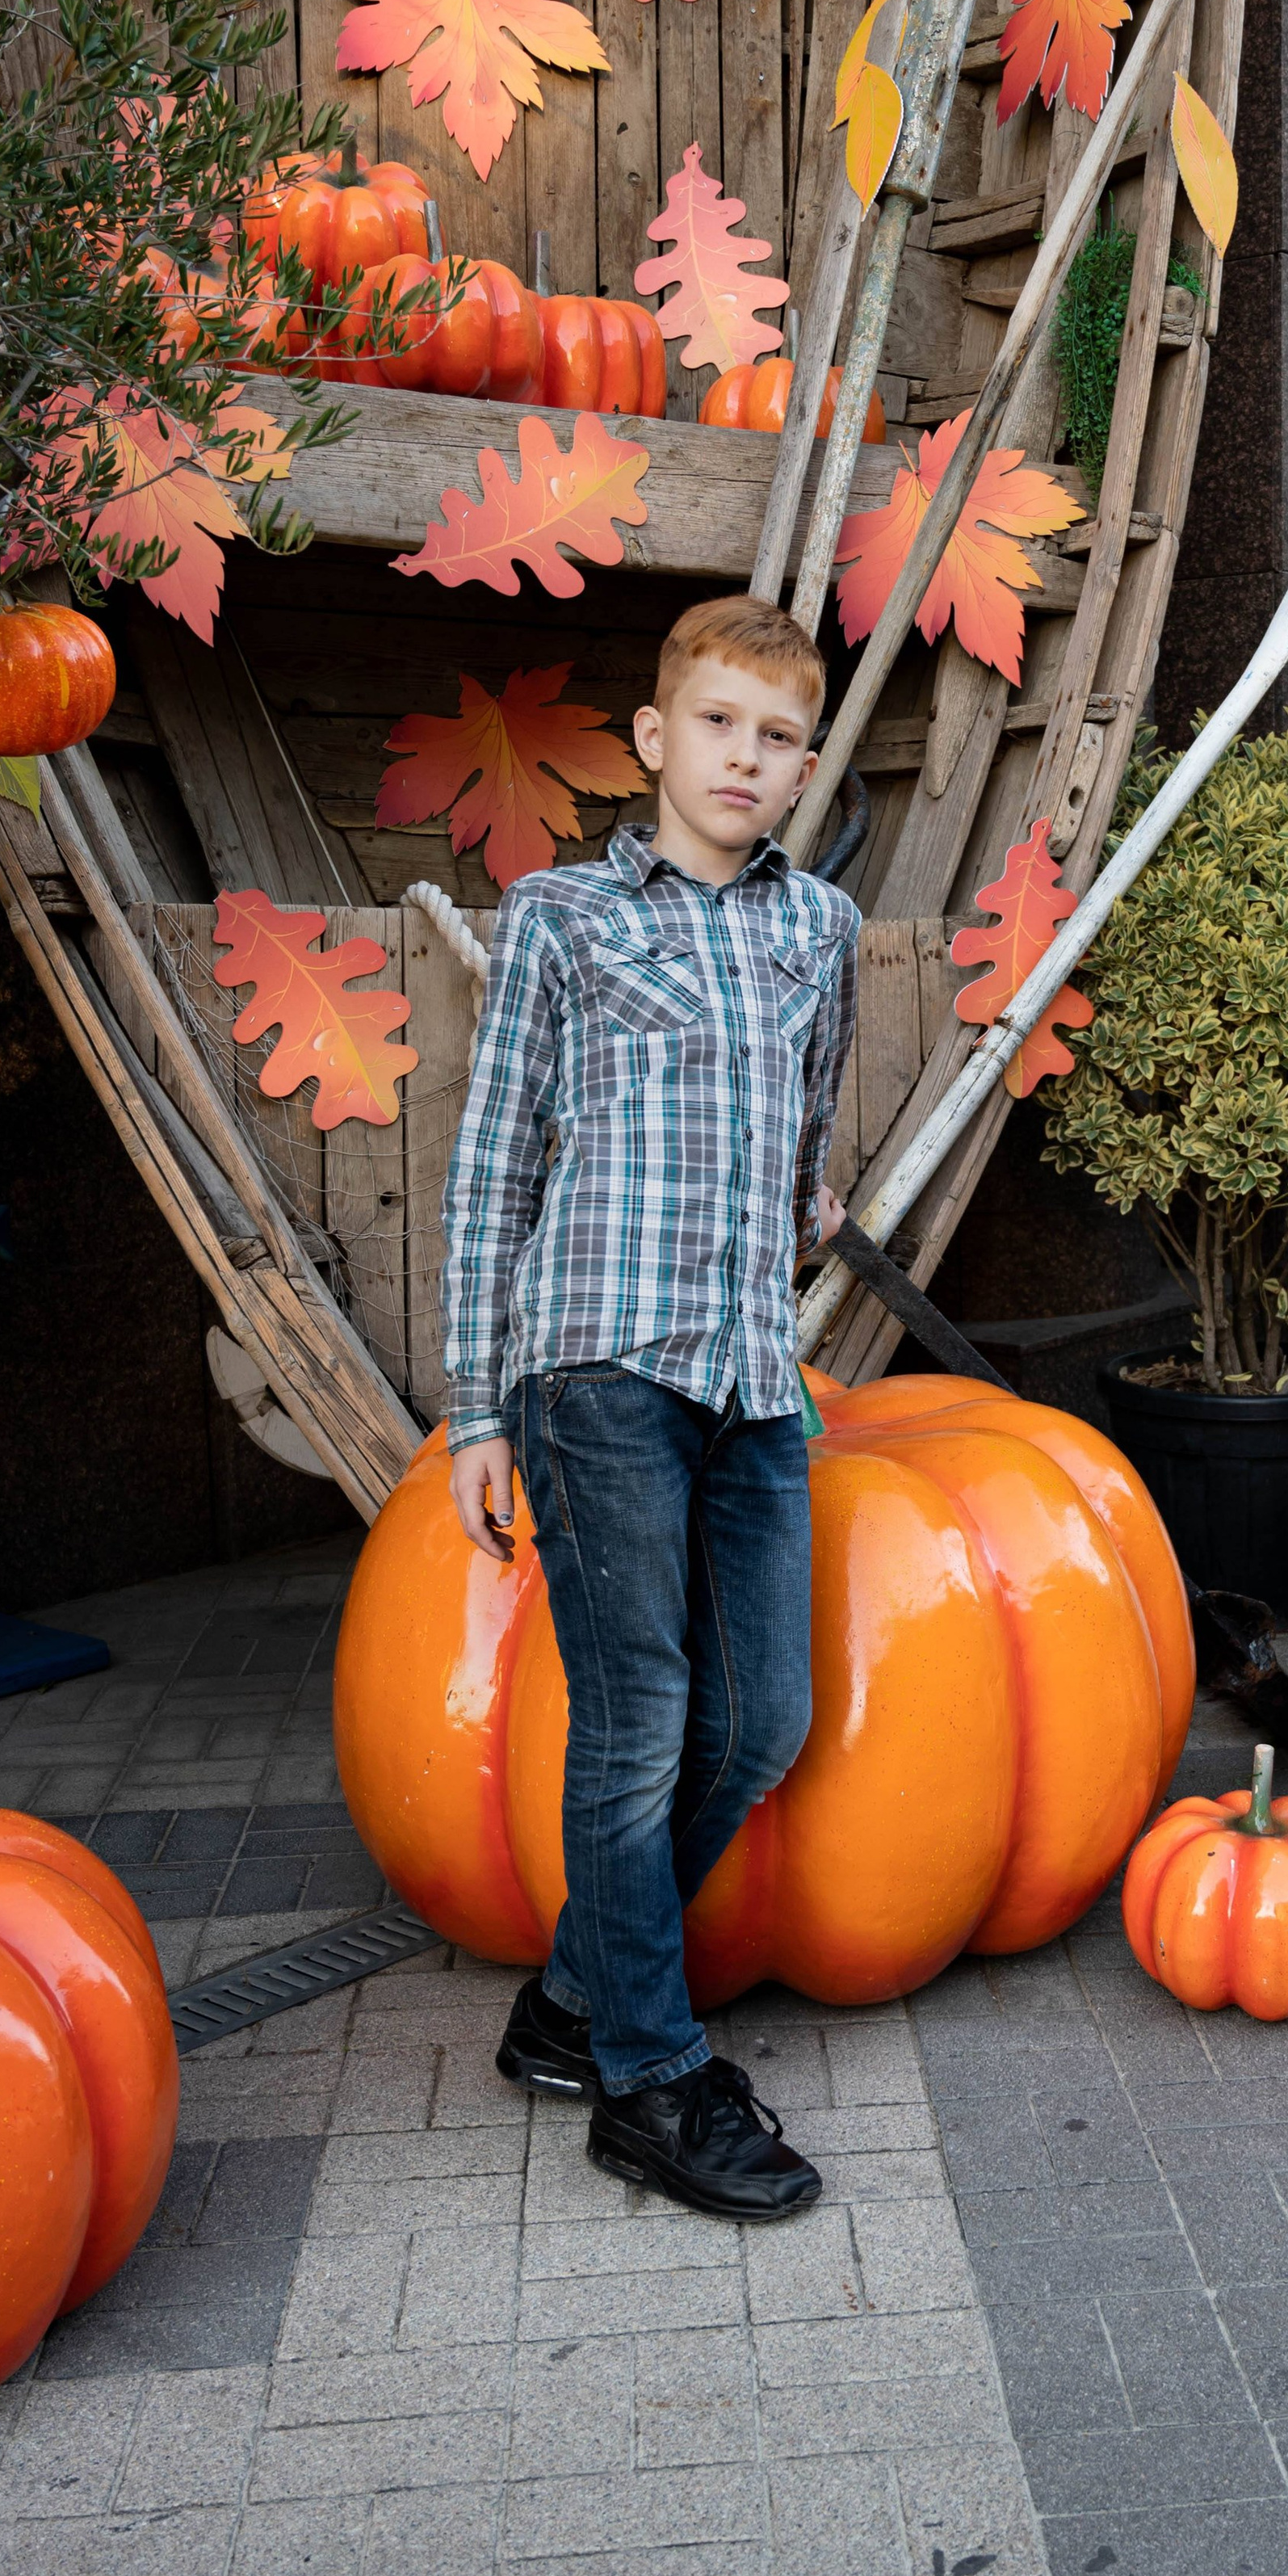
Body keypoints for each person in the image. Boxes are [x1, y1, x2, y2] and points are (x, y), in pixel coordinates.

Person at [439, 592, 858, 2221]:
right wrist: (479, 1409)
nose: (745, 758)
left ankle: (567, 2000)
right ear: (654, 739)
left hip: (753, 1365)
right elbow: (495, 1168)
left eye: (776, 736)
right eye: (719, 726)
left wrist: (806, 1205)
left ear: (798, 763)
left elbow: (810, 1123)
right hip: (598, 1360)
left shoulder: (814, 929)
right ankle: (645, 2070)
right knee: (637, 1719)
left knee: (759, 1722)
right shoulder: (559, 919)